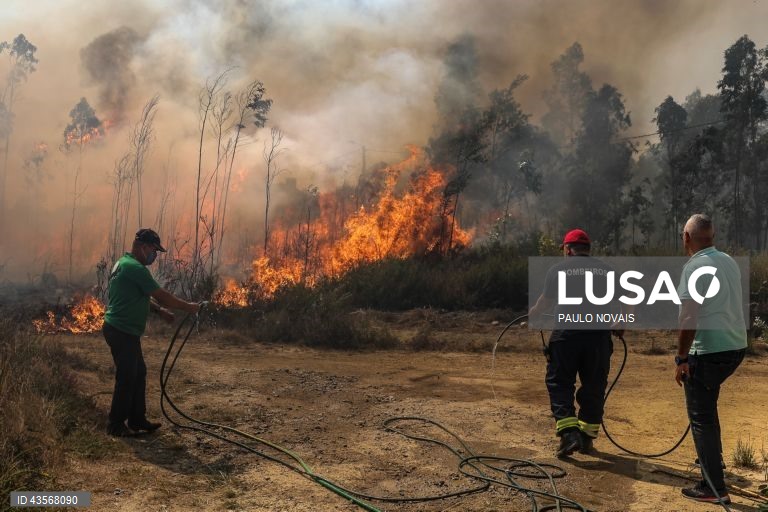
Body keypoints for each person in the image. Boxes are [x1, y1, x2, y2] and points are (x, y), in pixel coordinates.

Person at [529, 229, 620, 458]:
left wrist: (534, 313)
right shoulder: (607, 270)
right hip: (598, 338)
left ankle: (569, 434)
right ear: (587, 249)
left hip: (566, 336)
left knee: (560, 382)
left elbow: (546, 301)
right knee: (594, 386)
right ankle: (587, 438)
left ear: (568, 250)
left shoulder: (558, 269)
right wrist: (620, 322)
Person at [675, 214, 747, 505]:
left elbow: (689, 316)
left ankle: (713, 487)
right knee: (707, 408)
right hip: (735, 347)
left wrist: (681, 358)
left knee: (701, 417)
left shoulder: (694, 267)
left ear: (687, 237)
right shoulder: (728, 260)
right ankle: (713, 467)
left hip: (709, 351)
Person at [103, 228, 200, 437]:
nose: (154, 255)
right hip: (121, 330)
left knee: (139, 373)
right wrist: (188, 307)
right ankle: (115, 425)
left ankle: (137, 419)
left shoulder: (123, 263)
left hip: (121, 329)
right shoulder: (136, 268)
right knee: (127, 376)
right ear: (143, 247)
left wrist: (159, 310)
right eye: (154, 250)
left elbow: (139, 295)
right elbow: (161, 294)